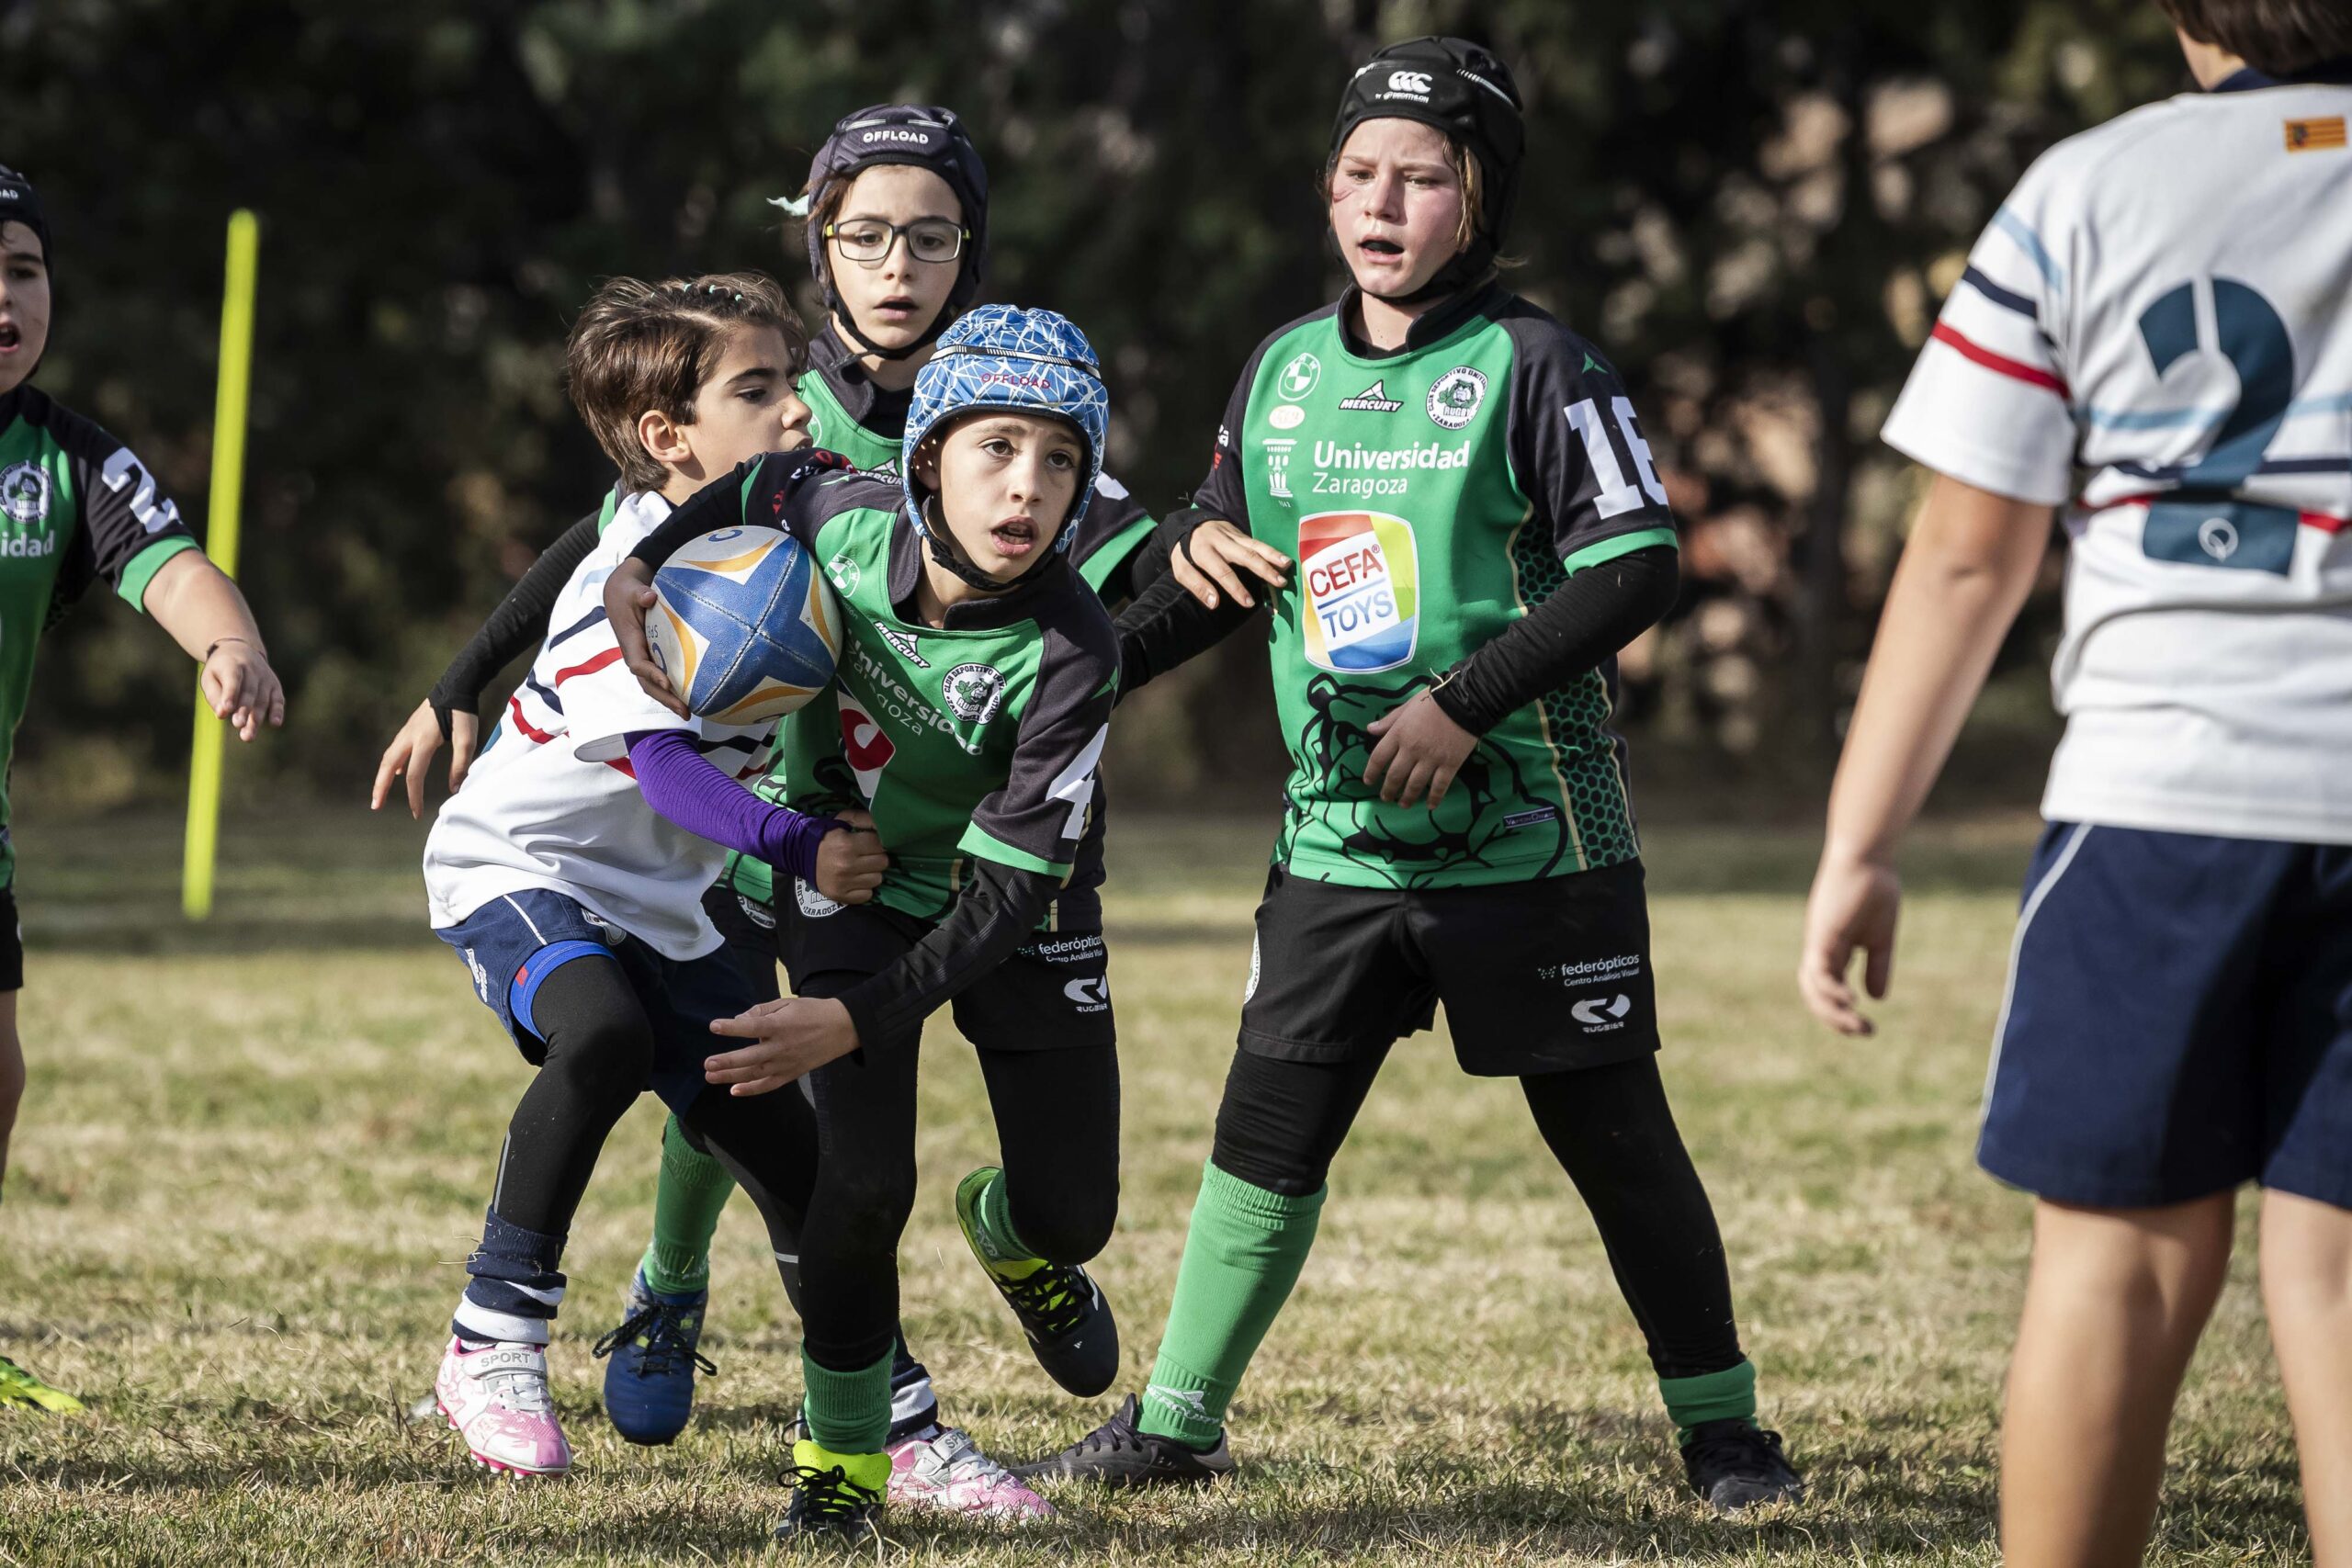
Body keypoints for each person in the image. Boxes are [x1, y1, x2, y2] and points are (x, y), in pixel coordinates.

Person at [372, 104, 1276, 1517]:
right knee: (768, 1124)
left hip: (918, 871)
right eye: (866, 232)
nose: (897, 261)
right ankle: (586, 1330)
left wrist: (1128, 603)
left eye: (931, 233)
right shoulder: (786, 494)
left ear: (967, 252)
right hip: (761, 865)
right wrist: (479, 668)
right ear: (821, 247)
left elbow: (1120, 568)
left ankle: (896, 1410)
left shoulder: (994, 450)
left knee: (852, 1171)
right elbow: (664, 520)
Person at [1015, 39, 1803, 1513]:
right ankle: (1174, 1425)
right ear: (1327, 191)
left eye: (1424, 178)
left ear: (1479, 200)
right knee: (1265, 1138)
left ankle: (1728, 1437)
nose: (1385, 203)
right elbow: (1223, 573)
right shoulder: (1286, 370)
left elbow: (1636, 567)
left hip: (1533, 843)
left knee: (1618, 1143)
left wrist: (1462, 703)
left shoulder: (1538, 363)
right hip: (1335, 847)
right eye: (1361, 174)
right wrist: (1078, 673)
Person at [1796, 4, 2352, 1562]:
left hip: (2160, 802)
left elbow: (1971, 551)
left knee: (2112, 1264)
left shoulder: (2090, 188)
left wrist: (1862, 839)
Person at [601, 304, 1129, 1538]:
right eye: (996, 447)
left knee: (1077, 1215)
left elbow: (1004, 893)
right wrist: (647, 560)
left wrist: (856, 1020)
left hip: (1014, 904)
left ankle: (1009, 1231)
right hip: (856, 883)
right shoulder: (837, 518)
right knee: (856, 1187)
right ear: (927, 456)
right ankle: (840, 1474)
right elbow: (771, 474)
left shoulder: (1071, 645)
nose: (1027, 487)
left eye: (1060, 461)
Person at [418, 271, 888, 1502]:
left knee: (799, 1161)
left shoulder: (772, 529)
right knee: (605, 1033)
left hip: (666, 903)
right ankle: (492, 1339)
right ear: (668, 440)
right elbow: (670, 774)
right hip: (521, 866)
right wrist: (795, 844)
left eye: (795, 382)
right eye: (759, 389)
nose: (796, 410)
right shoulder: (645, 567)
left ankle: (886, 1411)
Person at [0, 164, 284, 1413]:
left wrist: (233, 646)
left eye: (22, 268)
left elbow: (167, 561)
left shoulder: (65, 456)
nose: (5, 296)